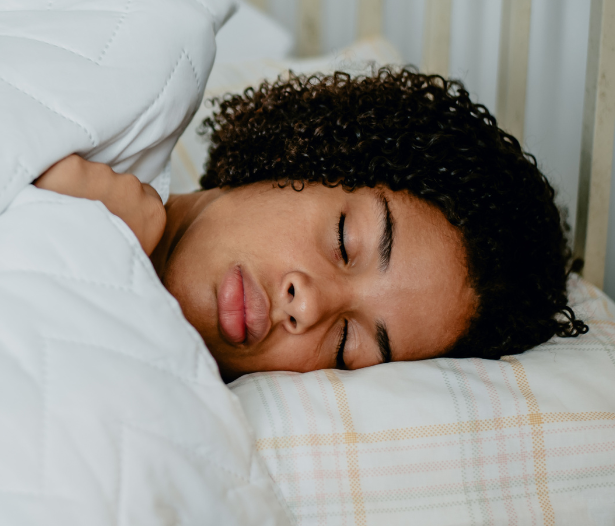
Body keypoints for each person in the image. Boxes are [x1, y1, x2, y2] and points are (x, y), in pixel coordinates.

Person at [34, 67, 588, 381]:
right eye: (346, 243)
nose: (309, 305)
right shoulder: (100, 101)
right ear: (302, 160)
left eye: (348, 346)